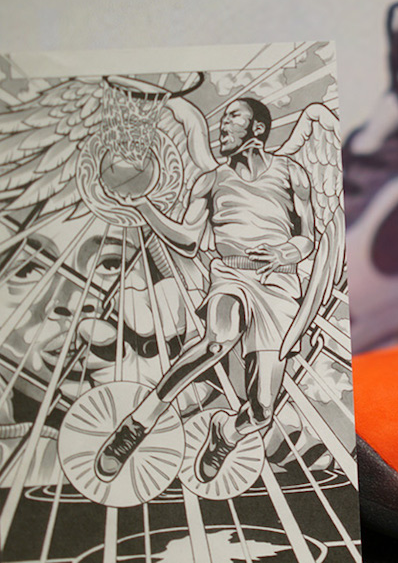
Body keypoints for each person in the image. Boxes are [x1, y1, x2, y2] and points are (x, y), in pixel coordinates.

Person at [95, 97, 316, 483]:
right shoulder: (211, 181)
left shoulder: (292, 172)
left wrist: (285, 252)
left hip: (280, 284)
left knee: (262, 410)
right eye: (222, 117)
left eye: (233, 117)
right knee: (218, 340)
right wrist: (143, 206)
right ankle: (139, 422)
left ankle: (226, 432)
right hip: (232, 274)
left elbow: (308, 238)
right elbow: (187, 240)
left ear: (257, 129)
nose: (223, 125)